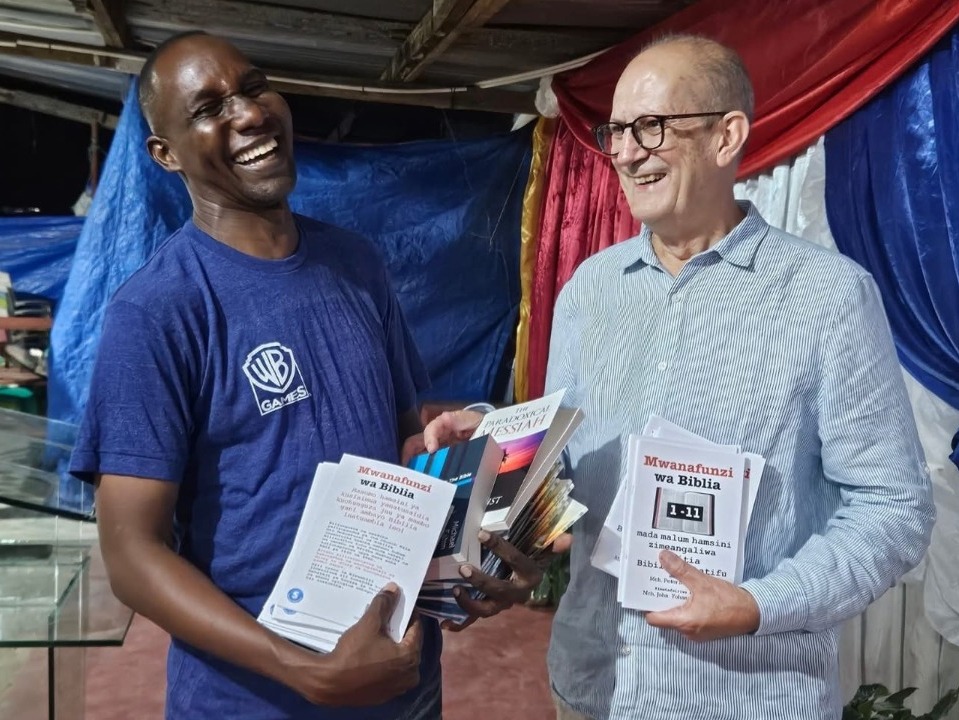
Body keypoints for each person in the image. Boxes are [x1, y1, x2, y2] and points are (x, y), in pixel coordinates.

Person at [422, 34, 935, 720]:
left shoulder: (829, 297)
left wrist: (758, 604)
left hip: (746, 697)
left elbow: (892, 507)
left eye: (652, 126)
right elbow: (569, 467)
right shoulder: (590, 289)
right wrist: (501, 442)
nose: (626, 151)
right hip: (592, 687)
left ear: (726, 137)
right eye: (616, 131)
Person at [70, 31, 541, 720]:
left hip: (400, 679)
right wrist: (298, 667)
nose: (249, 113)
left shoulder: (354, 263)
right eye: (208, 107)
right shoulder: (157, 310)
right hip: (253, 701)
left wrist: (473, 540)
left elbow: (405, 435)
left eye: (254, 86)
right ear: (164, 154)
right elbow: (131, 552)